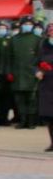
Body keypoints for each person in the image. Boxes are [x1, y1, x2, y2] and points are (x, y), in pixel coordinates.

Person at [8, 16, 41, 129]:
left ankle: (31, 121)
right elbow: (9, 58)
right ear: (21, 25)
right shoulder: (14, 39)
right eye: (25, 23)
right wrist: (10, 72)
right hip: (18, 73)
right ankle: (22, 120)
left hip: (32, 73)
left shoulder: (38, 39)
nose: (28, 25)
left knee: (31, 99)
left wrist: (39, 70)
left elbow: (40, 57)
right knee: (19, 99)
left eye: (29, 23)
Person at [37, 22, 53, 151]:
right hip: (47, 84)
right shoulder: (43, 45)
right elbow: (34, 63)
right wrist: (37, 71)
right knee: (49, 115)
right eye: (51, 31)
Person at [0, 21, 14, 125]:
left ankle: (5, 117)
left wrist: (9, 72)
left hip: (7, 73)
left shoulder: (10, 41)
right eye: (0, 28)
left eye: (4, 28)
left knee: (7, 98)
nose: (2, 29)